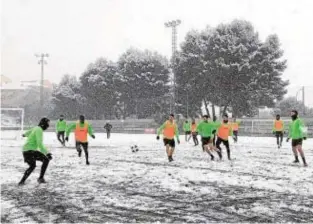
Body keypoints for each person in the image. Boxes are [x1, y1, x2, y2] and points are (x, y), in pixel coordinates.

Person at [19, 117, 52, 185]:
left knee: (32, 166)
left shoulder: (36, 128)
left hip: (26, 150)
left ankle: (22, 182)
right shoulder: (39, 130)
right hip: (30, 151)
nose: (48, 126)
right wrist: (47, 153)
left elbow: (29, 132)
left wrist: (24, 134)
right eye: (47, 123)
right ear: (44, 123)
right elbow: (39, 143)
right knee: (46, 160)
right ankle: (40, 178)